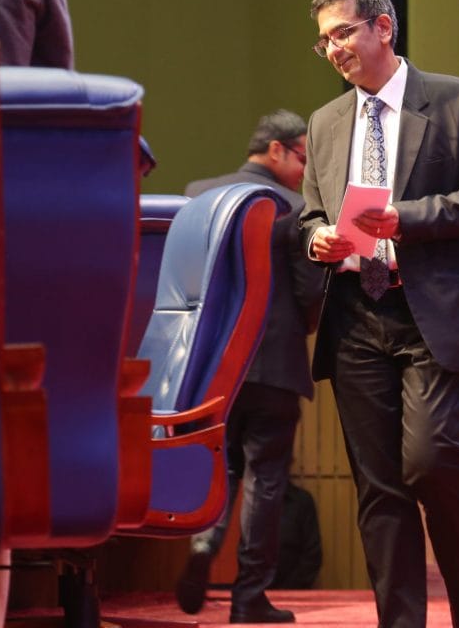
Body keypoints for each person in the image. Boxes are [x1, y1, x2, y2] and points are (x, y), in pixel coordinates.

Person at [299, 0, 459, 628]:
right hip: (356, 317)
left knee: (432, 461)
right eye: (323, 42)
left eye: (341, 34)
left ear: (382, 28)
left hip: (434, 315)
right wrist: (318, 241)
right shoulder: (326, 122)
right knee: (379, 489)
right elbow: (308, 215)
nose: (333, 50)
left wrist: (405, 217)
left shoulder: (456, 101)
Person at [176, 110, 326, 624]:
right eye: (303, 156)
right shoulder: (296, 208)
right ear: (277, 150)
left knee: (222, 464)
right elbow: (310, 289)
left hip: (212, 365)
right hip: (274, 362)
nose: (306, 169)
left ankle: (201, 549)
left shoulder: (198, 195)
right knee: (266, 477)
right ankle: (249, 595)